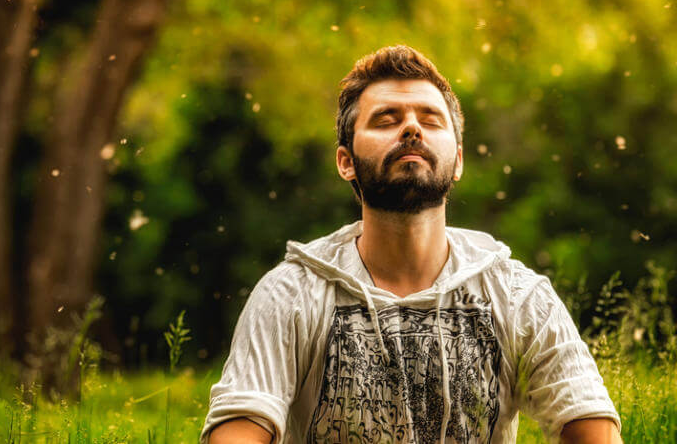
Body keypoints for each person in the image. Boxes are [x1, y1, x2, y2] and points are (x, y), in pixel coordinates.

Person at [201, 45, 622, 444]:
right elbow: (240, 428)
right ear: (345, 161)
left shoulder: (517, 296)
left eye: (430, 119)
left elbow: (589, 424)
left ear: (458, 160)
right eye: (386, 119)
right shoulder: (291, 294)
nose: (411, 127)